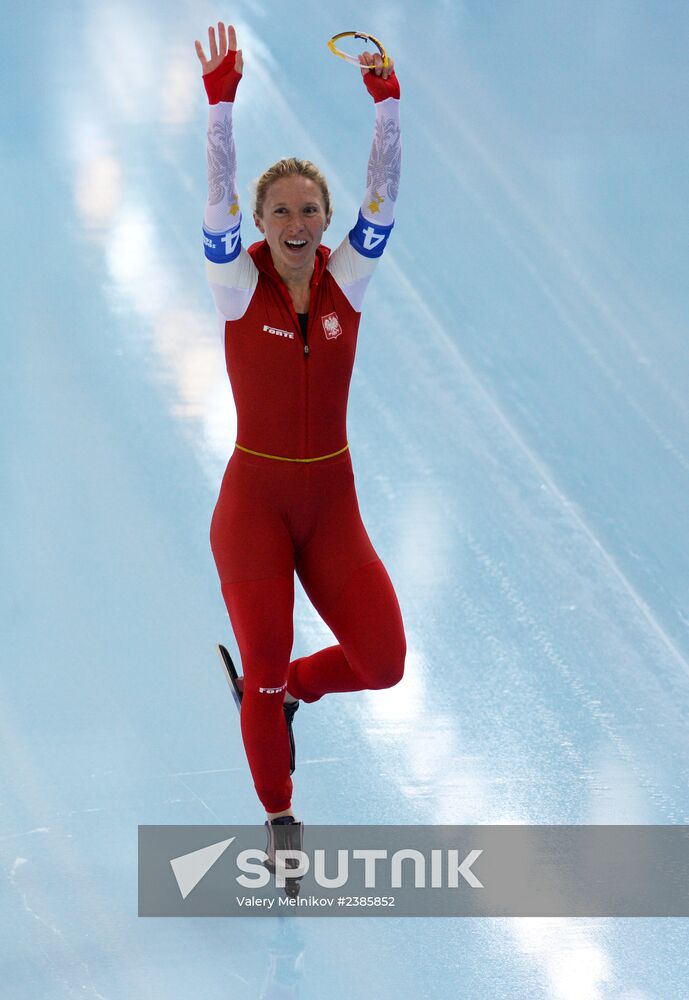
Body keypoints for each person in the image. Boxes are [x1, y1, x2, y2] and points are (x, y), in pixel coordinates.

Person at [195, 21, 406, 859]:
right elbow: (213, 196)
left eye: (309, 209)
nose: (295, 220)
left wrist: (388, 110)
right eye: (279, 209)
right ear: (259, 220)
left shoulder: (346, 280)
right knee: (270, 658)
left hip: (330, 505)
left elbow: (385, 199)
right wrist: (220, 106)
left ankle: (281, 697)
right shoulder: (234, 282)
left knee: (383, 662)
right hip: (254, 509)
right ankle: (280, 813)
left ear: (325, 220)